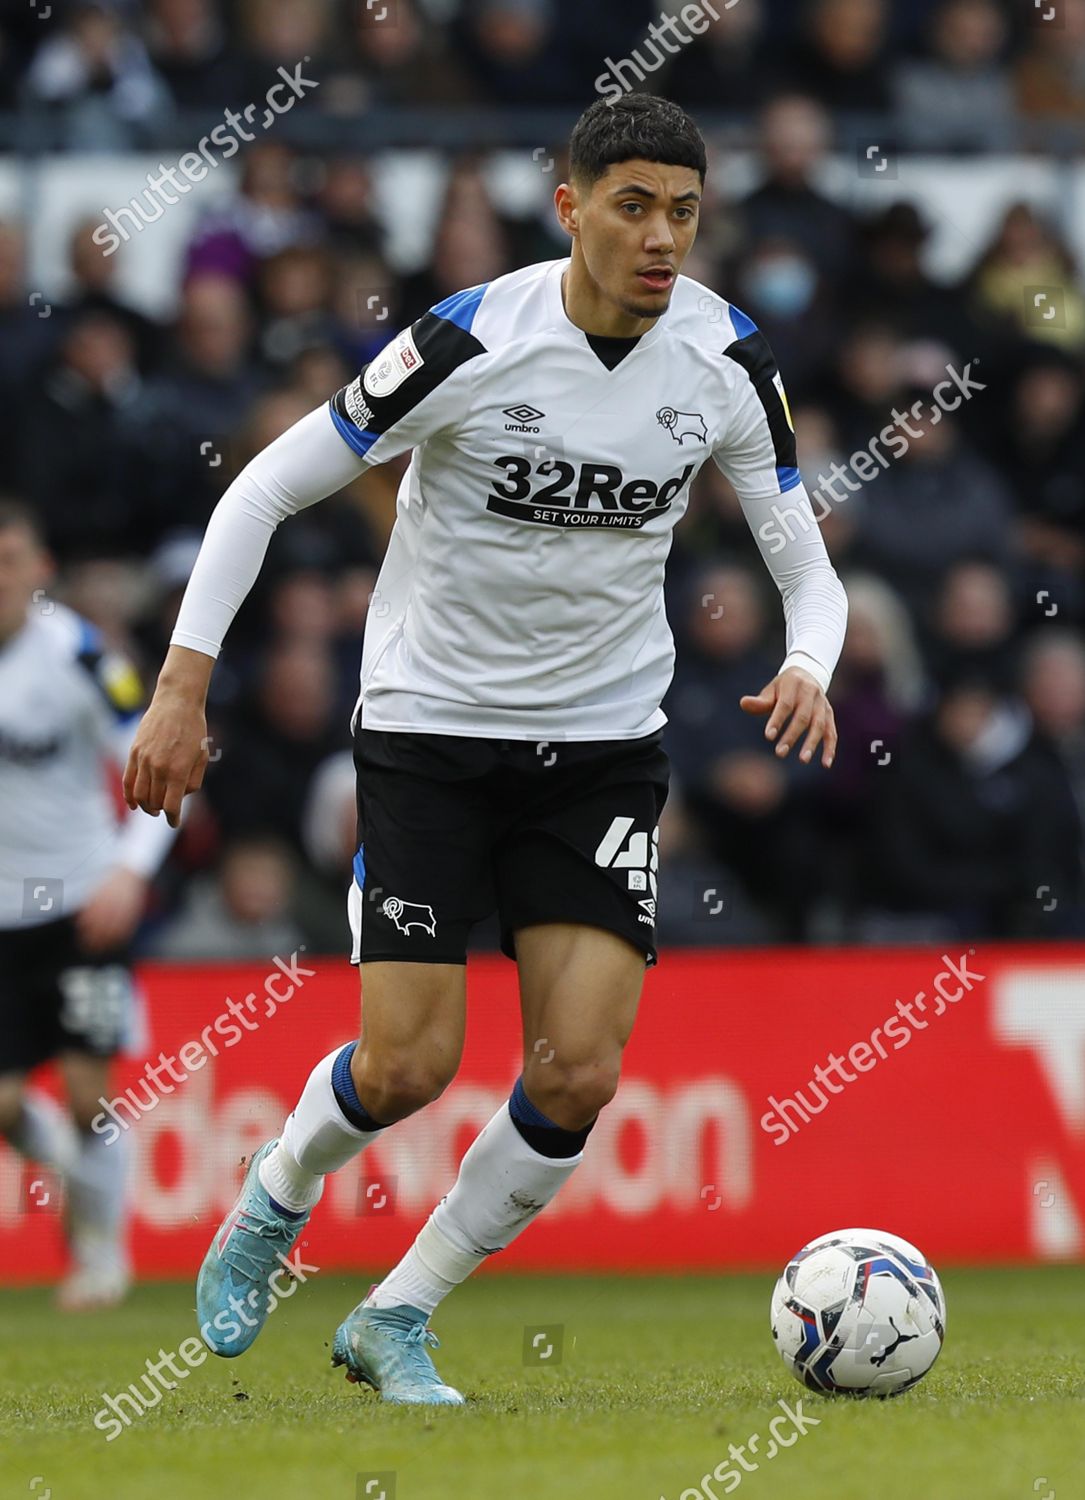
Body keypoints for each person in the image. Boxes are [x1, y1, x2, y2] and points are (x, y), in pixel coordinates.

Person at [125, 94, 848, 1405]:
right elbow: (264, 489)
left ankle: (398, 1315)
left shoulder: (728, 361)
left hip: (603, 744)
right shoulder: (468, 339)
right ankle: (278, 1192)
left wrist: (810, 664)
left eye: (683, 211)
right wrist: (181, 689)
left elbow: (807, 566)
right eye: (631, 205)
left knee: (578, 1069)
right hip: (429, 731)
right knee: (408, 1065)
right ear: (568, 207)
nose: (660, 238)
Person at [0, 501, 174, 1308]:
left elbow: (154, 764)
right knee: (7, 1106)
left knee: (85, 1094)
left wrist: (128, 874)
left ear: (38, 573)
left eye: (10, 563)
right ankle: (74, 1177)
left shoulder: (80, 654)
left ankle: (100, 1253)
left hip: (79, 908)